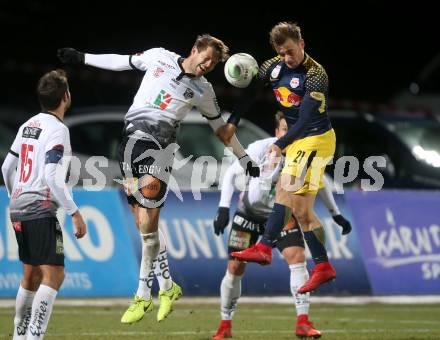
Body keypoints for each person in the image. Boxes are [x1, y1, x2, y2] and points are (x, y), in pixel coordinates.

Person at [57, 34, 260, 324]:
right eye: (207, 59)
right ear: (194, 50)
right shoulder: (158, 56)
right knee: (144, 226)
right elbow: (122, 62)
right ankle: (167, 287)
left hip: (160, 151)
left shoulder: (203, 90)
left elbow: (222, 131)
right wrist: (82, 57)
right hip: (129, 144)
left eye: (214, 64)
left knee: (147, 223)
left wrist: (244, 158)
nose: (208, 65)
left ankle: (142, 294)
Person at [212, 112, 351, 339]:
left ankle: (303, 322)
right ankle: (225, 325)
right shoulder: (262, 147)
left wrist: (336, 214)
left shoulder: (302, 152)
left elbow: (320, 181)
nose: (289, 134)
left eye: (293, 129)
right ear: (277, 132)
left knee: (297, 258)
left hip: (281, 216)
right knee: (235, 268)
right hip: (249, 213)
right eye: (285, 129)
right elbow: (231, 173)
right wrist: (223, 208)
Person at [226, 22, 342, 294]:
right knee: (301, 211)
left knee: (283, 187)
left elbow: (304, 120)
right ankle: (323, 266)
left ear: (302, 44)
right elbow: (252, 90)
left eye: (291, 51)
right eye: (282, 53)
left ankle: (265, 247)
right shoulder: (274, 66)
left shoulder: (315, 75)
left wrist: (279, 144)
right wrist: (232, 120)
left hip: (315, 138)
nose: (287, 58)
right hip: (301, 142)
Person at [1, 69, 87, 339]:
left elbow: (7, 166)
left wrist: (14, 195)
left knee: (30, 276)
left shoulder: (28, 124)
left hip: (18, 206)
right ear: (65, 97)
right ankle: (34, 336)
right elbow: (51, 175)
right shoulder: (58, 130)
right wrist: (74, 212)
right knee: (55, 275)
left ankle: (19, 335)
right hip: (39, 208)